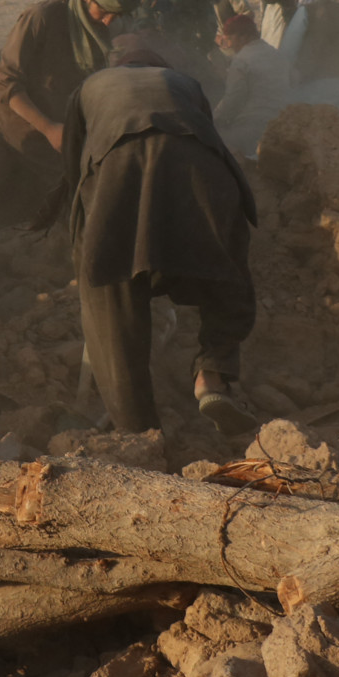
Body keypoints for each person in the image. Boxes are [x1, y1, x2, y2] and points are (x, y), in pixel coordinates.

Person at [51, 60, 258, 435]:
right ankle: (212, 374)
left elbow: (75, 172)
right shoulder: (185, 81)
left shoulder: (88, 88)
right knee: (227, 274)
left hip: (120, 169)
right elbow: (206, 134)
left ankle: (139, 432)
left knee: (109, 298)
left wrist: (85, 256)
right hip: (202, 167)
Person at [0, 0, 139, 270]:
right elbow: (6, 83)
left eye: (116, 15)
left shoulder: (107, 34)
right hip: (6, 127)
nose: (108, 22)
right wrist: (49, 127)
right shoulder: (42, 18)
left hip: (56, 138)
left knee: (64, 209)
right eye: (103, 12)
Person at [212, 11, 291, 159]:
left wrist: (214, 120)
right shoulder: (277, 54)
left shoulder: (242, 61)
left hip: (251, 129)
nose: (229, 45)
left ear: (243, 36)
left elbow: (233, 99)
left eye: (229, 39)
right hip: (280, 126)